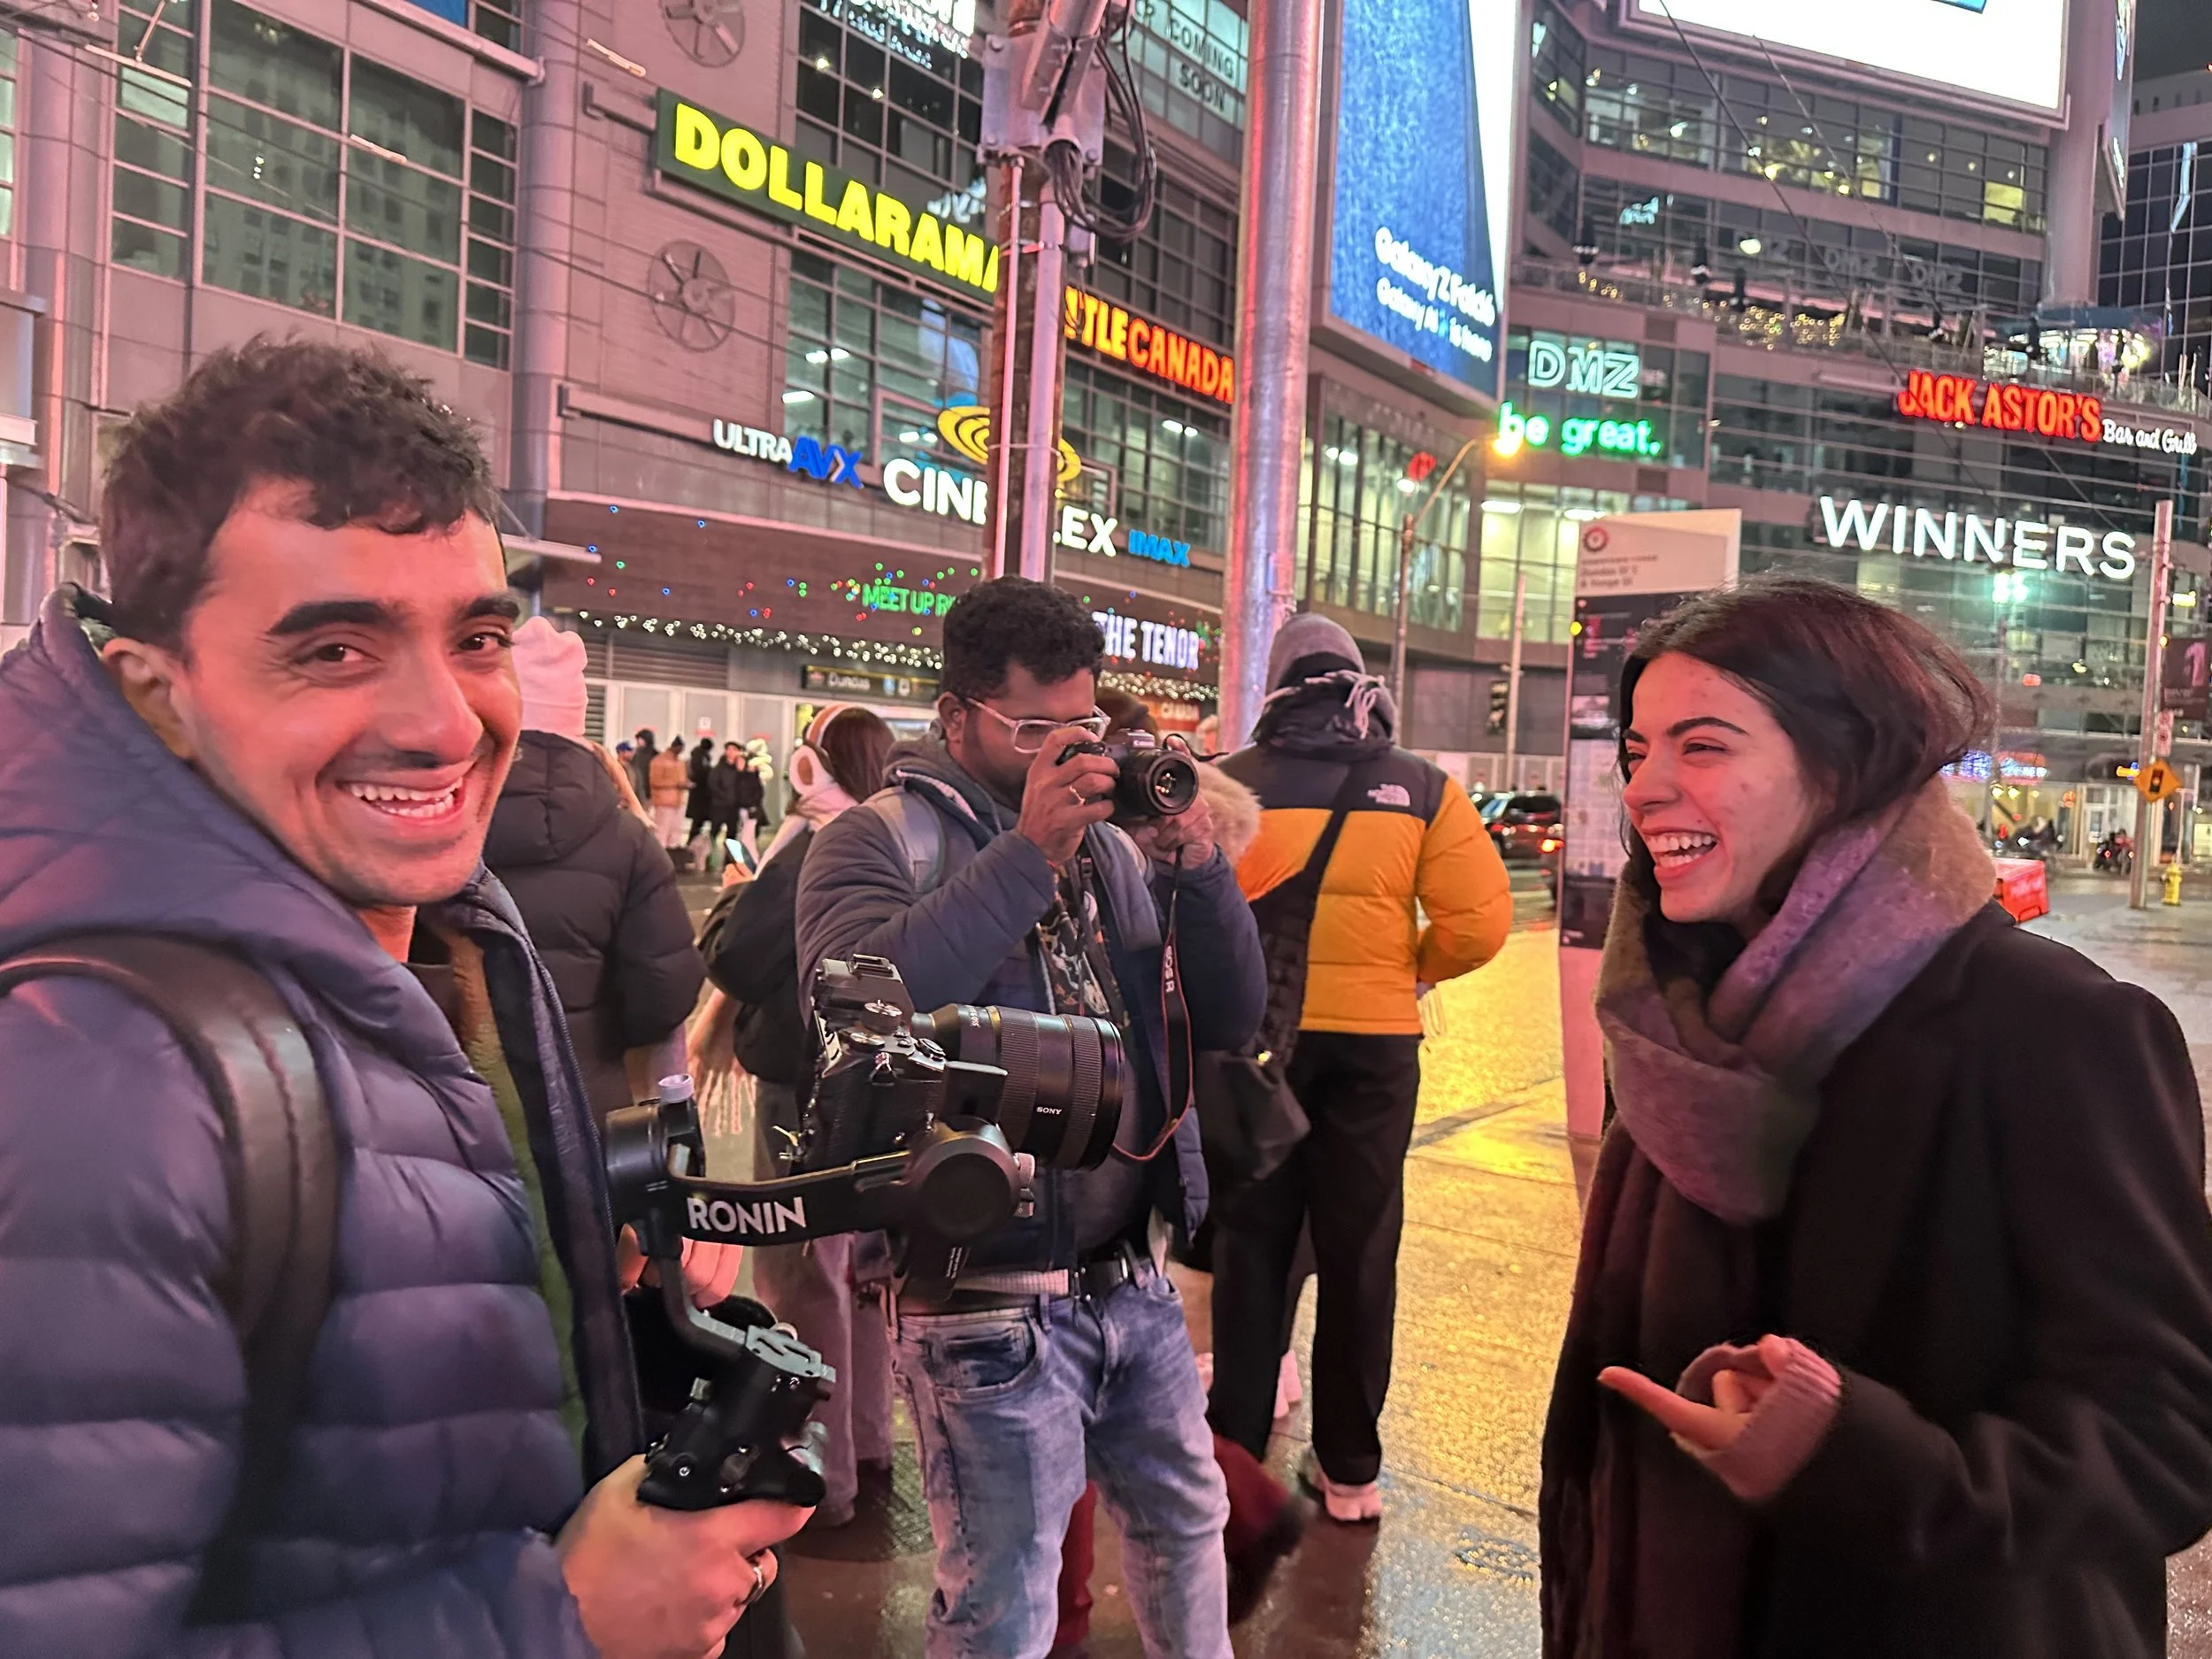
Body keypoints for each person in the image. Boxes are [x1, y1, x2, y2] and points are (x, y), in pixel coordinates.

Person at [0, 340, 808, 1657]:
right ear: (158, 686)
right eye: (332, 648)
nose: (446, 721)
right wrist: (560, 1616)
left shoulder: (438, 925)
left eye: (476, 635)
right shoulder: (89, 1082)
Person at [1540, 577, 2212, 1657]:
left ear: (1844, 767)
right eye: (1636, 751)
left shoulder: (2049, 1029)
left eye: (1701, 747)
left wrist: (1845, 1456)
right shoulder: (1668, 1031)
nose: (1643, 789)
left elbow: (2163, 1441)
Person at [795, 577, 1266, 1658]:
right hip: (981, 1302)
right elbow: (866, 1006)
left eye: (1083, 725)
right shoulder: (875, 843)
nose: (1068, 751)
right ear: (956, 714)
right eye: (1035, 729)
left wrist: (1194, 857)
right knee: (1003, 1597)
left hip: (1130, 1280)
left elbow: (1228, 1016)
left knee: (1187, 1530)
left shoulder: (1112, 848)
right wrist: (1028, 854)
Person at [1209, 611, 1512, 1524]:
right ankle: (1350, 1474)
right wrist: (1408, 971)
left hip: (1260, 1046)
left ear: (1277, 683)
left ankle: (1232, 1464)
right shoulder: (1419, 786)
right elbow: (1480, 925)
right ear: (1358, 685)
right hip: (1374, 1052)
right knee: (1359, 1251)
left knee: (1251, 1245)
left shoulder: (1228, 780)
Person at [702, 703, 899, 1532]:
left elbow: (738, 954)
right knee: (860, 1277)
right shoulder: (899, 837)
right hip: (882, 1083)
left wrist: (735, 897)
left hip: (806, 1087)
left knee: (800, 1276)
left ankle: (821, 1476)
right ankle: (866, 1445)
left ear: (820, 767)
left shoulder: (818, 842)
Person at [487, 616, 706, 1124]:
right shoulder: (628, 837)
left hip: (450, 1108)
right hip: (587, 1101)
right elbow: (664, 995)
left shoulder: (444, 816)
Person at [649, 735, 691, 858]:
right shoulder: (658, 761)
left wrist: (685, 784)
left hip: (679, 801)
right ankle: (658, 859)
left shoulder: (680, 762)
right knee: (662, 832)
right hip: (664, 802)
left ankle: (673, 859)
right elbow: (655, 781)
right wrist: (676, 784)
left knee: (676, 832)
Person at [687, 722, 718, 846]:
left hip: (698, 795)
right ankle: (694, 844)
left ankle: (692, 842)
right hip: (702, 795)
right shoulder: (701, 759)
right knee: (698, 821)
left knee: (697, 822)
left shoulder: (697, 757)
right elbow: (701, 775)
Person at [628, 726, 658, 805]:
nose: (638, 742)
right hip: (637, 790)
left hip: (650, 791)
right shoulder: (636, 754)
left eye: (640, 739)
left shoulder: (655, 755)